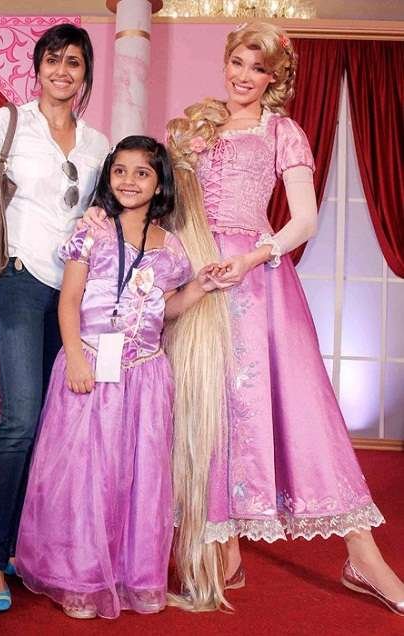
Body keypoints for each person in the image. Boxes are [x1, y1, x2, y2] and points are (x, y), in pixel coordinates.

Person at [83, 21, 404, 616]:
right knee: (203, 413)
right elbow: (153, 199)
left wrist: (253, 257)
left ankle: (364, 556)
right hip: (196, 279)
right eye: (238, 62)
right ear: (225, 62)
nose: (244, 76)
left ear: (274, 78)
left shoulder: (282, 130)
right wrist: (102, 218)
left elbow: (304, 220)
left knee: (303, 413)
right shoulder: (192, 127)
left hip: (257, 283)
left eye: (259, 68)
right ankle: (222, 553)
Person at [14, 135, 226, 620]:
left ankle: (130, 574)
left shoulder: (171, 248)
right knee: (84, 474)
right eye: (120, 171)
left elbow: (166, 308)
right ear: (108, 177)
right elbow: (70, 301)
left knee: (137, 476)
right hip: (89, 365)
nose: (129, 181)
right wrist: (75, 357)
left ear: (160, 184)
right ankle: (80, 578)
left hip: (145, 375)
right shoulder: (90, 232)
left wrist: (200, 287)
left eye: (142, 173)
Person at [0, 23, 109, 611]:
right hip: (17, 281)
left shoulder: (98, 144)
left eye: (74, 62)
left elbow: (104, 213)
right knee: (19, 420)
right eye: (53, 60)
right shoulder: (8, 122)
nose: (62, 70)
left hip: (71, 295)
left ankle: (24, 545)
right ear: (37, 67)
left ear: (86, 73)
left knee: (50, 424)